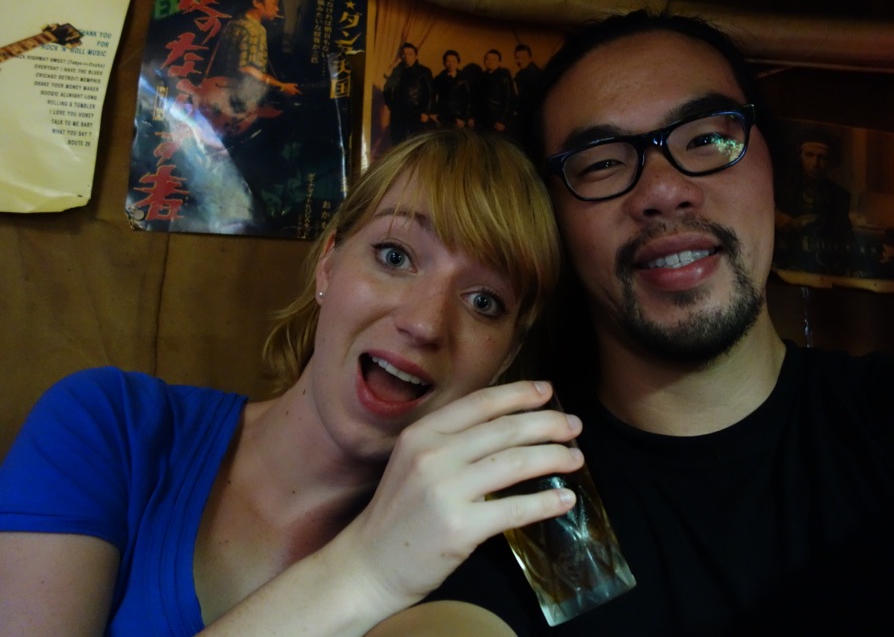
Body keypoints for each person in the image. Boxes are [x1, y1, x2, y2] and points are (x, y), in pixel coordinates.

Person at [374, 10, 894, 635]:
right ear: (554, 223)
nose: (663, 191)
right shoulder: (522, 505)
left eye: (706, 138)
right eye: (601, 162)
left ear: (772, 171)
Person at [0, 129, 586, 635]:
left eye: (484, 301)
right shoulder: (108, 424)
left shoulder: (484, 566)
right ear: (329, 264)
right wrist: (367, 571)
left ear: (506, 358)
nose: (426, 323)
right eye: (394, 255)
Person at [202, 0, 301, 136]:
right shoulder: (256, 30)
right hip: (238, 102)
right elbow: (247, 70)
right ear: (256, 2)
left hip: (217, 95)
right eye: (274, 3)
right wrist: (281, 86)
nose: (277, 9)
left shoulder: (232, 24)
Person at [774, 128, 858, 275]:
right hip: (782, 264)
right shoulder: (779, 187)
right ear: (800, 156)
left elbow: (845, 236)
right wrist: (774, 216)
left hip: (823, 269)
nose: (815, 163)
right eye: (809, 155)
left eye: (822, 157)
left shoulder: (839, 196)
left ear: (830, 162)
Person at [382, 42, 434, 145]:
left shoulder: (424, 71)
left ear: (416, 55)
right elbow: (387, 88)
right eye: (404, 54)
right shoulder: (397, 71)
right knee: (399, 142)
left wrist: (426, 112)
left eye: (410, 54)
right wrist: (391, 104)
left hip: (417, 113)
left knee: (415, 143)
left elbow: (431, 93)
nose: (407, 57)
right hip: (399, 114)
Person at [474, 49, 514, 133]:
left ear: (499, 62)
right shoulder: (482, 77)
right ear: (484, 61)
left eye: (494, 59)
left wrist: (502, 120)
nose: (490, 61)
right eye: (487, 59)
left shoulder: (504, 76)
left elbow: (509, 100)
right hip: (482, 120)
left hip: (497, 120)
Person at [431, 49, 472, 128]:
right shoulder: (439, 78)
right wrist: (434, 114)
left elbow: (469, 100)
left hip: (459, 117)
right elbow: (433, 96)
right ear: (444, 63)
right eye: (448, 61)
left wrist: (464, 118)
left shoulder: (464, 78)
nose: (451, 64)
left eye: (453, 61)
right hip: (443, 117)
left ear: (458, 62)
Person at [512, 43, 543, 140]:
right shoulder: (521, 74)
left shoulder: (534, 75)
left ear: (530, 58)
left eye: (523, 58)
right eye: (517, 58)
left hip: (531, 119)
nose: (519, 61)